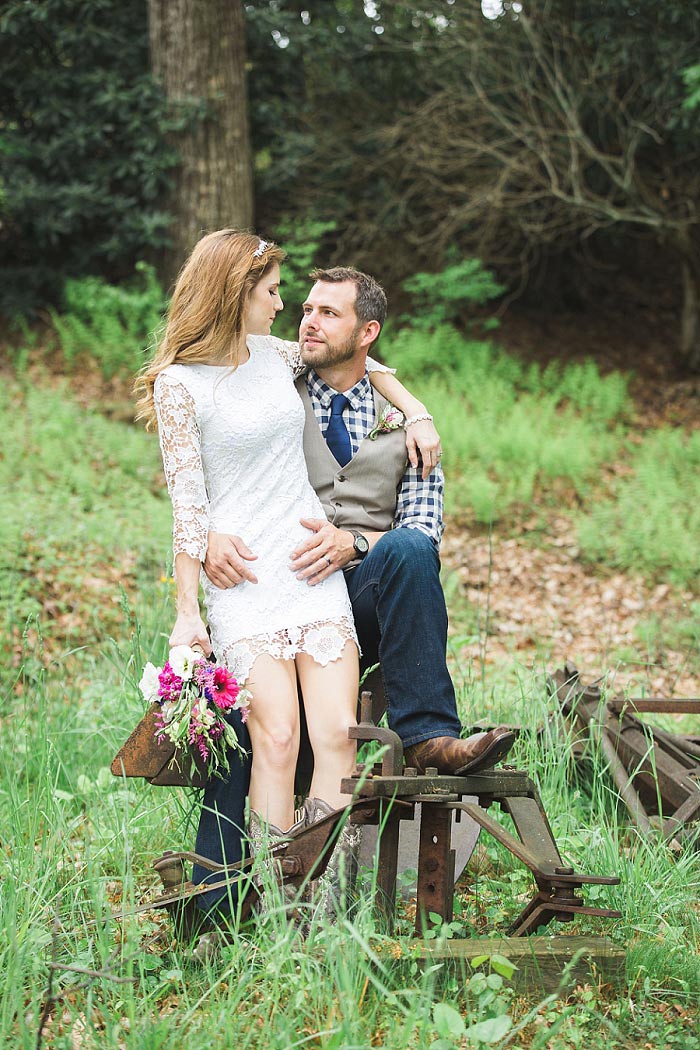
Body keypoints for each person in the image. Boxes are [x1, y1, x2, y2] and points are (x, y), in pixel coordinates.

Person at [134, 231, 443, 918]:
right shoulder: (178, 386)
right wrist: (188, 614)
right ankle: (274, 906)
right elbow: (187, 504)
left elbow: (369, 361)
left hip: (309, 565)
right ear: (233, 293)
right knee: (276, 738)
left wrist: (416, 411)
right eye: (273, 291)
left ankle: (323, 903)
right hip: (242, 580)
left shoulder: (276, 359)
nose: (286, 307)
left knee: (335, 735)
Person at [205, 266, 516, 784]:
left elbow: (422, 531)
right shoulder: (276, 390)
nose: (308, 322)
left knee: (411, 553)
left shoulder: (410, 432)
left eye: (329, 313)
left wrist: (354, 542)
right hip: (280, 589)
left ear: (366, 332)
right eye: (306, 309)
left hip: (366, 597)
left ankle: (429, 738)